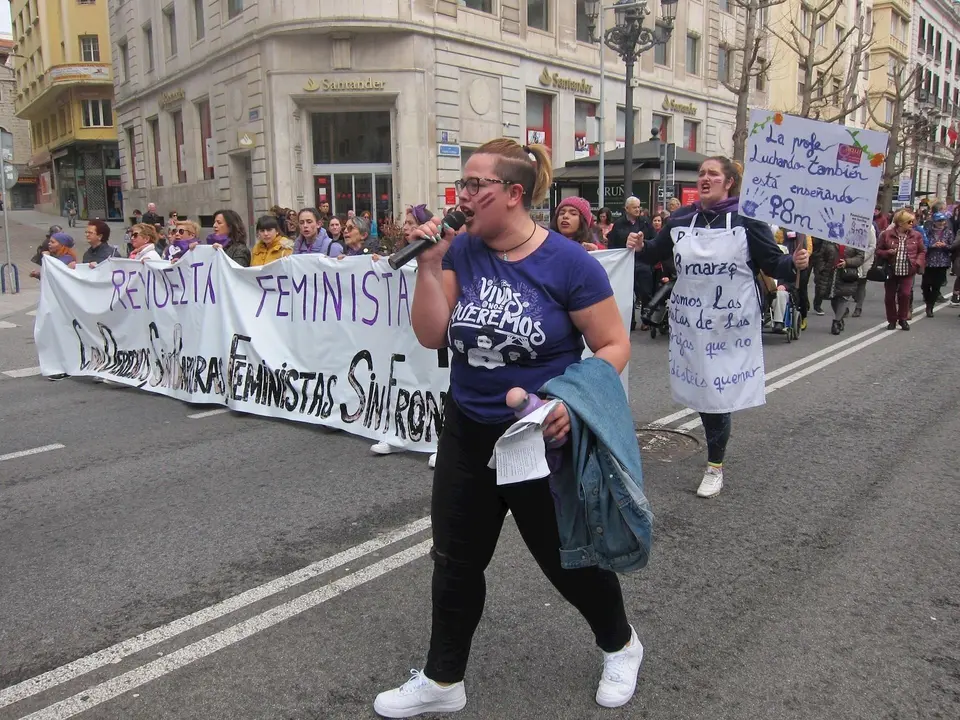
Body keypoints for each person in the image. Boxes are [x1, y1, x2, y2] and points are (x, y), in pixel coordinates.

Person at [374, 138, 641, 717]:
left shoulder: (568, 262)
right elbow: (432, 335)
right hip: (468, 432)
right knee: (455, 560)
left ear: (514, 194)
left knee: (565, 560)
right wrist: (428, 263)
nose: (463, 197)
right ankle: (444, 682)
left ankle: (620, 643)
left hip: (536, 438)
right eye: (461, 185)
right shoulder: (461, 251)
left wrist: (571, 400)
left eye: (477, 186)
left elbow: (613, 343)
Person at [629, 157, 808, 498]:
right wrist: (640, 247)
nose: (705, 178)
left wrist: (794, 262)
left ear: (729, 182)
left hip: (731, 323)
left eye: (713, 173)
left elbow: (773, 262)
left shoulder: (747, 219)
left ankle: (715, 465)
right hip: (691, 323)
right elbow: (654, 253)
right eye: (701, 173)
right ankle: (714, 448)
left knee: (715, 395)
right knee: (700, 391)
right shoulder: (681, 218)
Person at [877, 209, 925, 331]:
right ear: (900, 223)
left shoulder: (916, 235)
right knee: (889, 296)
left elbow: (922, 251)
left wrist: (917, 263)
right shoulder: (886, 235)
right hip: (891, 270)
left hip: (908, 270)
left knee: (905, 294)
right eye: (909, 222)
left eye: (912, 222)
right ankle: (892, 320)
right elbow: (878, 251)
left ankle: (902, 318)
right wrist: (888, 252)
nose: (911, 224)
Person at [818, 241, 865, 335]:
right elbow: (820, 255)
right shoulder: (830, 238)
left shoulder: (854, 239)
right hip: (830, 273)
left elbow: (860, 257)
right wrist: (822, 267)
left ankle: (836, 322)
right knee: (834, 298)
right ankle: (840, 319)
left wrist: (847, 262)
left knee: (843, 297)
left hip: (846, 274)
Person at [921, 211, 952, 316]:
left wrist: (945, 245)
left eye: (943, 220)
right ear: (934, 221)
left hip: (942, 262)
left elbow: (952, 247)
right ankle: (927, 299)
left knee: (936, 285)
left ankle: (930, 306)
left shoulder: (948, 232)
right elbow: (923, 244)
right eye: (939, 221)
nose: (941, 223)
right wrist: (932, 245)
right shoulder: (927, 231)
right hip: (929, 261)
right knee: (925, 284)